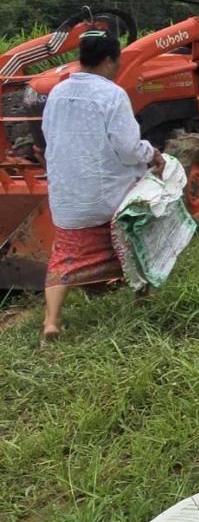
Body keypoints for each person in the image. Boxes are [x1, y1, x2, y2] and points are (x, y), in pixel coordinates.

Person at [41, 30, 164, 339]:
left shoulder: (57, 93)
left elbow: (48, 133)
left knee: (64, 257)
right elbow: (127, 147)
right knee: (137, 239)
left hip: (68, 194)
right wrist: (152, 154)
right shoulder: (111, 94)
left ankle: (52, 322)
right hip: (106, 197)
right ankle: (142, 300)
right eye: (117, 61)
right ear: (109, 60)